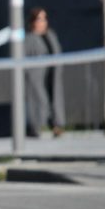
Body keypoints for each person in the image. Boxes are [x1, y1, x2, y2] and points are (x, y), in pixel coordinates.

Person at [24, 7, 65, 138]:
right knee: (40, 100)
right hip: (36, 77)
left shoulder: (51, 36)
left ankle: (56, 125)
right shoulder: (29, 39)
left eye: (44, 19)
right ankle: (37, 127)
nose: (42, 22)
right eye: (39, 19)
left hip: (52, 74)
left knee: (55, 99)